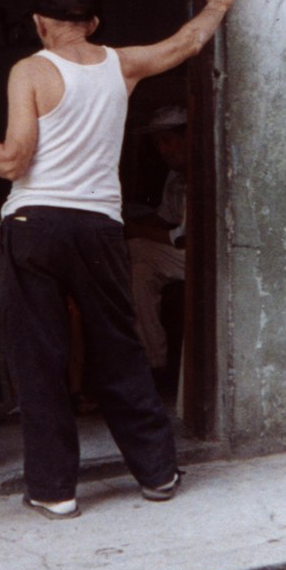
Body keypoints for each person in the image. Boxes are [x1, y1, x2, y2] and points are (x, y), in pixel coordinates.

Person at [0, 0, 247, 519]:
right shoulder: (122, 64)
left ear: (42, 23)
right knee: (120, 349)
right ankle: (159, 473)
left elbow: (12, 160)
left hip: (36, 224)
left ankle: (54, 490)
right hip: (98, 227)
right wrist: (217, 3)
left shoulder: (31, 70)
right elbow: (188, 42)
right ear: (91, 22)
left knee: (39, 358)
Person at [126, 105, 190, 396]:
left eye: (168, 141)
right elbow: (164, 218)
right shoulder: (174, 177)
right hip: (178, 258)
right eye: (159, 144)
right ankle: (156, 364)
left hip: (206, 259)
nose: (163, 149)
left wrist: (134, 231)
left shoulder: (202, 174)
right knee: (140, 274)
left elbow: (181, 238)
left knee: (136, 247)